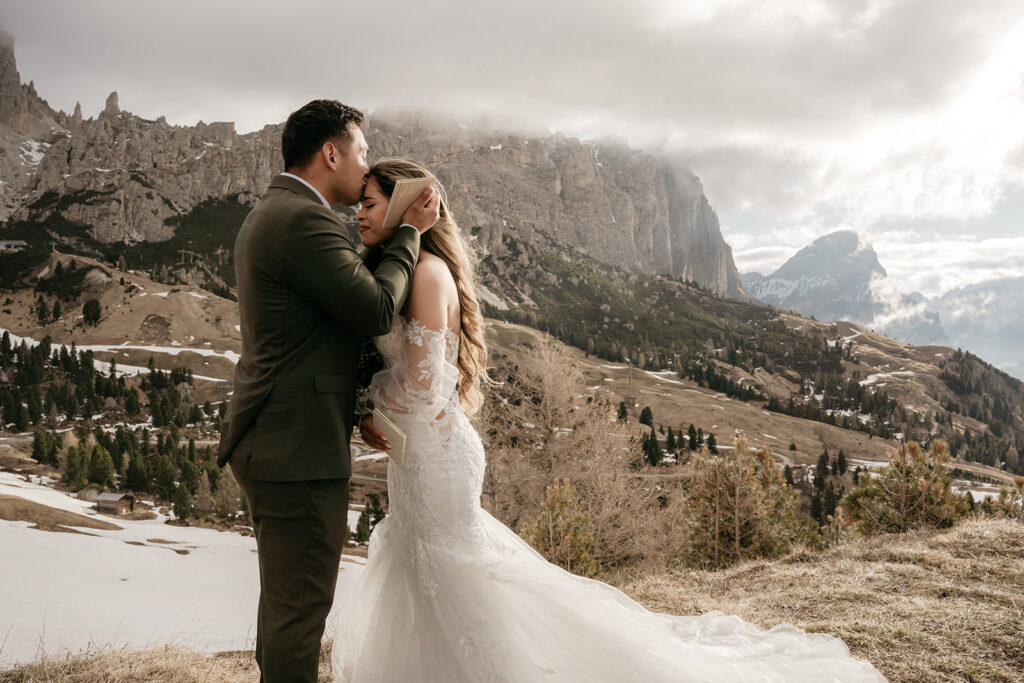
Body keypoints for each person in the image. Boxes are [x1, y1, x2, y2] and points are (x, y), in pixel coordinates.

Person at [330, 158, 887, 682]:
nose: (359, 212)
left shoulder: (426, 275)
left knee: (451, 575)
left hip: (435, 457)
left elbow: (426, 389)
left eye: (371, 203)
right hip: (420, 455)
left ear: (406, 207)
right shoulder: (404, 271)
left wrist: (369, 410)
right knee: (430, 569)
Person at [216, 100, 439, 682]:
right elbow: (375, 307)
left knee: (284, 603)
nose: (366, 170)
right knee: (300, 612)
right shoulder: (301, 218)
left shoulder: (280, 210)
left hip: (277, 434)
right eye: (361, 152)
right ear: (331, 152)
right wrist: (410, 233)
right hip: (296, 445)